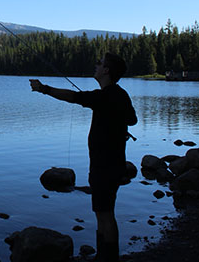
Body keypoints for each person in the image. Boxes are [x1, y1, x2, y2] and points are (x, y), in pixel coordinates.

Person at [30, 53, 137, 262]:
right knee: (102, 211)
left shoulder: (104, 96)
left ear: (106, 70)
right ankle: (104, 255)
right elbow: (132, 120)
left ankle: (108, 258)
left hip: (104, 165)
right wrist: (116, 123)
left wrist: (44, 89)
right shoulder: (119, 95)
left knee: (105, 214)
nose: (96, 65)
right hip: (112, 164)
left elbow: (73, 97)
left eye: (100, 63)